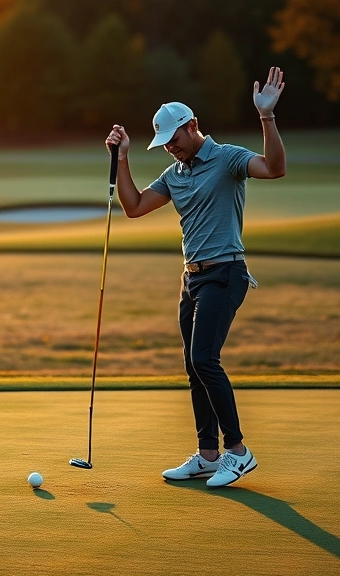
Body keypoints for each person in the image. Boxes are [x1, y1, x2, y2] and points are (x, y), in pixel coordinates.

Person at [104, 67, 287, 487]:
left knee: (205, 358)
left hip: (226, 273)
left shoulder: (227, 159)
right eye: (164, 143)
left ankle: (237, 451)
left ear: (193, 126)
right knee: (193, 364)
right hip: (192, 279)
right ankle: (207, 454)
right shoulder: (175, 175)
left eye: (175, 139)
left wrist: (267, 117)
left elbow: (274, 168)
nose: (170, 148)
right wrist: (124, 157)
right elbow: (133, 207)